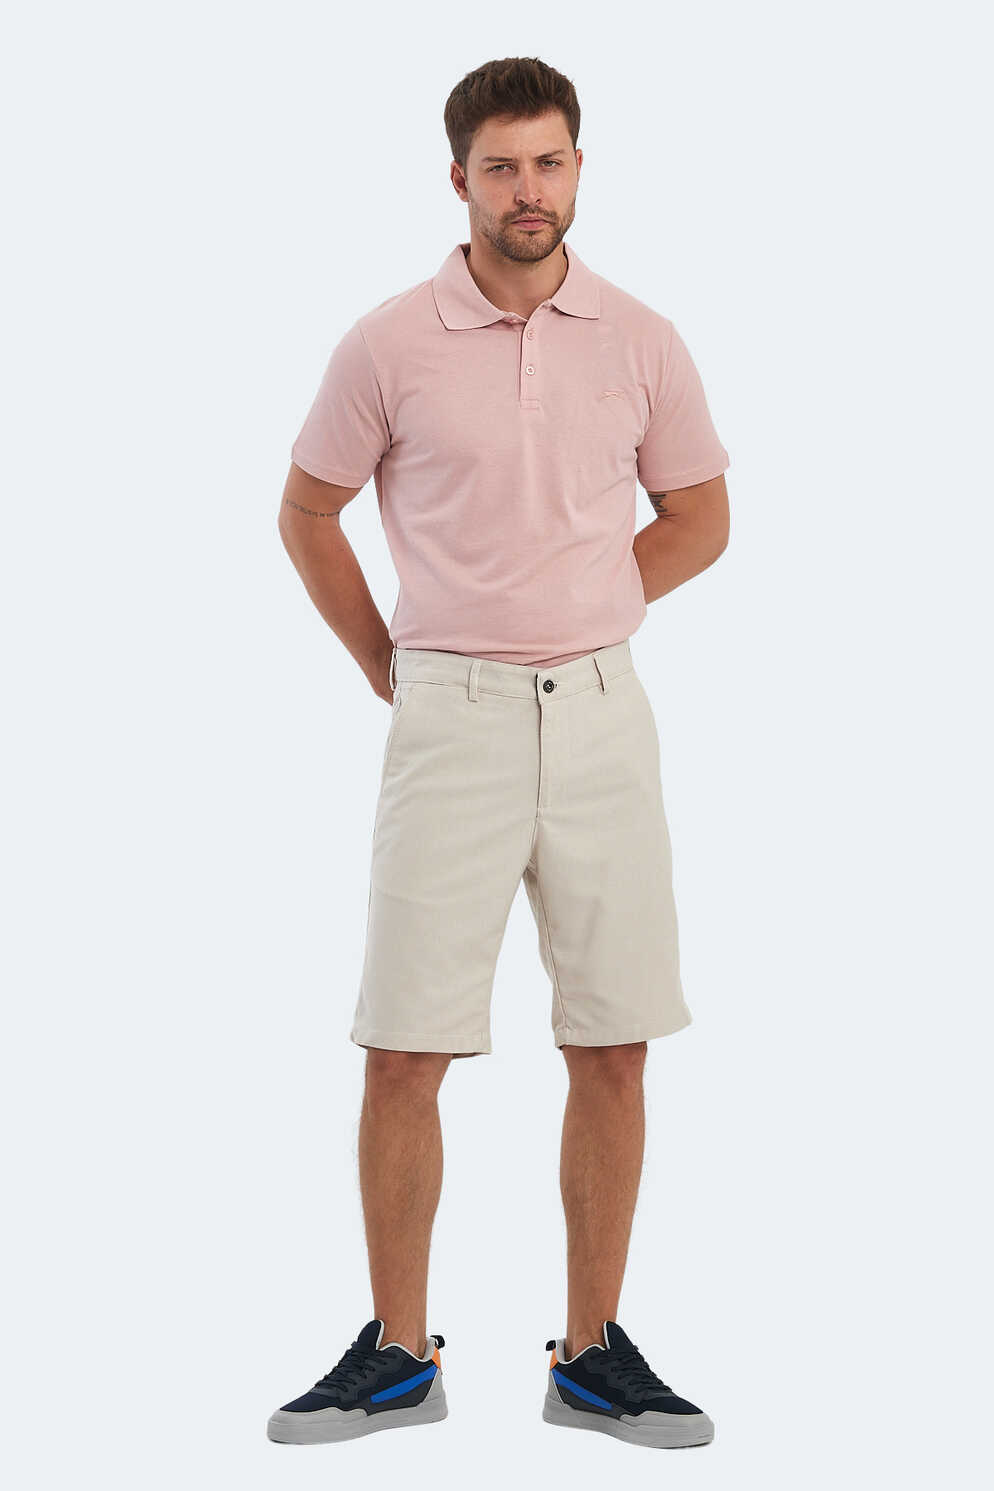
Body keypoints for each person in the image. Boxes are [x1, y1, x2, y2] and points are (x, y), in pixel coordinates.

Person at [267, 56, 729, 1452]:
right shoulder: (386, 343)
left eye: (549, 162)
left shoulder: (641, 337)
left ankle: (589, 1357)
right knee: (404, 1046)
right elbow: (307, 511)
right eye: (501, 167)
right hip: (449, 716)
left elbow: (702, 516)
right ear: (458, 178)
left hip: (600, 714)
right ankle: (398, 1354)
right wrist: (385, 663)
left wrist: (586, 596)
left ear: (579, 167)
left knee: (615, 1041)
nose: (529, 190)